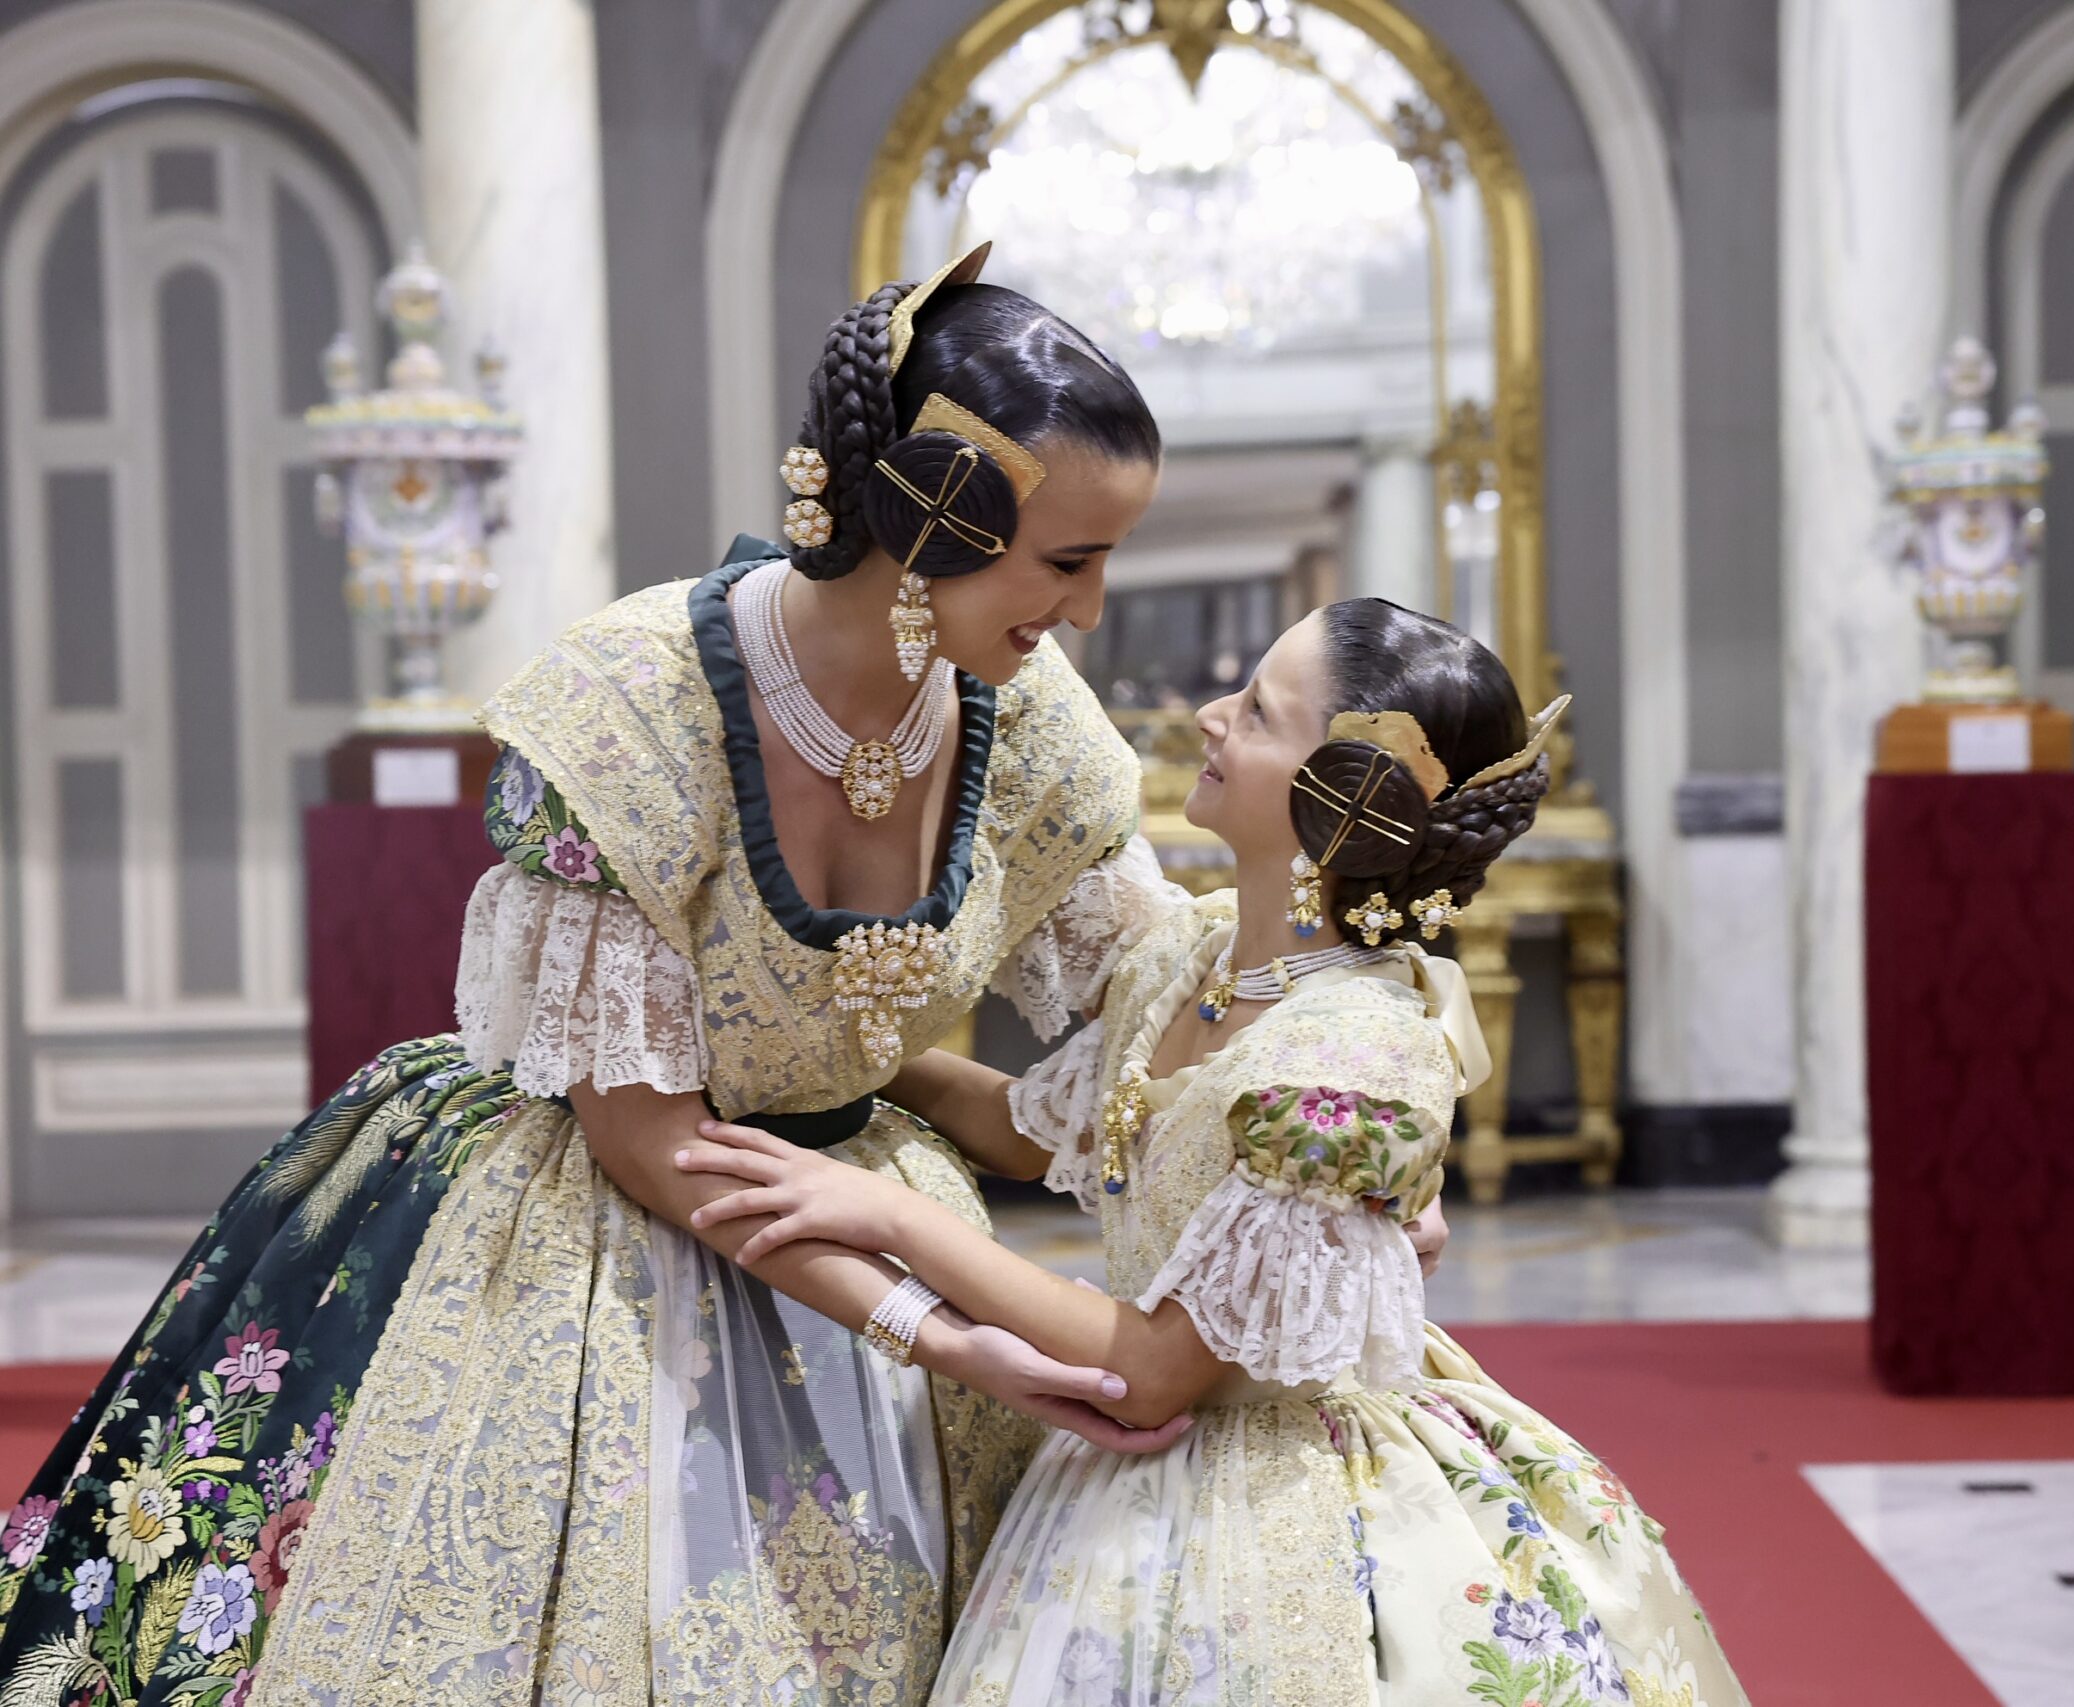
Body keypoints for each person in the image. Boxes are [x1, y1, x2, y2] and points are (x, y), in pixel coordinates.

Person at [0, 246, 1203, 1705]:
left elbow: (1163, 991)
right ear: (931, 520)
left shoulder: (1031, 719)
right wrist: (941, 1334)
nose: (1087, 611)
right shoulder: (636, 702)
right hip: (598, 1213)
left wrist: (1321, 1083)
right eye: (1066, 563)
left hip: (858, 1196)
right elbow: (650, 1140)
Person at [674, 599, 1751, 1707]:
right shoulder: (1196, 953)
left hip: (1264, 1479)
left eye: (1260, 711)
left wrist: (893, 1217)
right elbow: (1032, 1128)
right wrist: (822, 1047)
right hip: (1117, 1474)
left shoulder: (1355, 1058)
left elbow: (1153, 1376)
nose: (1211, 715)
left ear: (1349, 795)